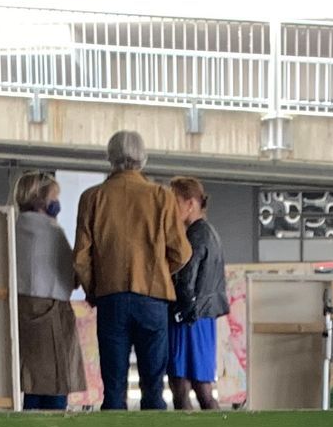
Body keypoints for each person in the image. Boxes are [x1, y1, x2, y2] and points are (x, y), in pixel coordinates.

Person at [73, 130, 189, 410]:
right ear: (143, 158)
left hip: (110, 298)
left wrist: (94, 288)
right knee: (153, 389)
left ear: (109, 158)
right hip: (153, 298)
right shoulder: (161, 197)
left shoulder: (92, 197)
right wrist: (158, 270)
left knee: (113, 390)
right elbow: (182, 252)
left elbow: (81, 258)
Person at [12, 169, 83, 411]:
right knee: (55, 386)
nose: (57, 203)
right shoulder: (52, 231)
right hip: (51, 312)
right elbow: (70, 276)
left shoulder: (12, 227)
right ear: (40, 199)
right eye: (54, 197)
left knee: (30, 385)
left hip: (19, 309)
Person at [167, 176, 228, 411]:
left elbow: (186, 279)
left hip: (188, 317)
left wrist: (178, 309)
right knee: (202, 386)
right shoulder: (210, 233)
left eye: (175, 202)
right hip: (203, 318)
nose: (170, 209)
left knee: (181, 385)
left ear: (190, 203)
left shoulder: (194, 235)